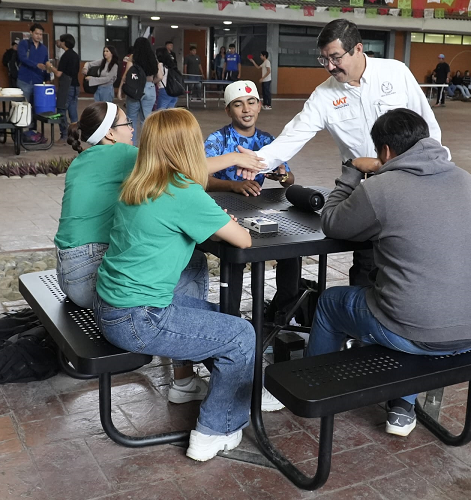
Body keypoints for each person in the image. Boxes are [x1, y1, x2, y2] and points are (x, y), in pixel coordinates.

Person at [306, 108, 471, 437]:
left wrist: (352, 171)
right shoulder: (466, 179)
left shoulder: (381, 188)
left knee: (332, 303)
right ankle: (402, 405)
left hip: (418, 330)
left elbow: (332, 221)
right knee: (403, 299)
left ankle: (313, 387)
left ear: (384, 150)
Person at [56, 101, 264, 406]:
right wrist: (235, 158)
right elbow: (183, 168)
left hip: (68, 271)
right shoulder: (123, 155)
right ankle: (184, 376)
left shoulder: (84, 159)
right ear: (110, 134)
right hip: (91, 275)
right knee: (190, 264)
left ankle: (195, 360)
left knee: (185, 259)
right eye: (127, 124)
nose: (132, 129)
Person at [92, 108, 256, 462]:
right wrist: (222, 220)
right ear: (187, 147)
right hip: (140, 318)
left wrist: (212, 221)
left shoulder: (138, 184)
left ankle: (237, 387)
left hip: (110, 307)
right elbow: (243, 239)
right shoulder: (182, 190)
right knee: (241, 336)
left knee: (224, 319)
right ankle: (214, 430)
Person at [255, 19, 447, 287]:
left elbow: (429, 128)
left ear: (358, 48)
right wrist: (255, 163)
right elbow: (292, 136)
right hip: (367, 193)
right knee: (366, 269)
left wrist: (436, 174)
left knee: (412, 264)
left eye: (335, 57)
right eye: (324, 60)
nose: (330, 66)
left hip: (410, 186)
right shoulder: (324, 96)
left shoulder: (395, 73)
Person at [205, 80, 299, 325]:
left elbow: (289, 179)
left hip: (258, 210)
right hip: (225, 212)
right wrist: (232, 185)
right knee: (236, 257)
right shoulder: (217, 140)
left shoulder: (268, 141)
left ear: (259, 106)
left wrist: (281, 175)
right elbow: (201, 178)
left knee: (292, 251)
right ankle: (232, 320)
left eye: (251, 102)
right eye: (238, 104)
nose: (246, 109)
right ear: (228, 110)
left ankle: (281, 314)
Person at [118, 37, 160, 146]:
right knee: (146, 119)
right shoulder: (153, 58)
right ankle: (147, 146)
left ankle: (133, 146)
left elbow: (126, 75)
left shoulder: (133, 57)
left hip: (135, 90)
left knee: (131, 119)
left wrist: (120, 89)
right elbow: (160, 76)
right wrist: (150, 84)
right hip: (150, 88)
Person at [46, 34, 80, 143]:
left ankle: (64, 135)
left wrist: (50, 66)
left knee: (61, 109)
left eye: (60, 41)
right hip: (75, 85)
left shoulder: (65, 56)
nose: (58, 43)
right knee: (73, 111)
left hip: (67, 86)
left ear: (64, 42)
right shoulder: (75, 55)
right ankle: (75, 135)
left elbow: (59, 74)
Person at [17, 24, 49, 113]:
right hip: (24, 80)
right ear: (31, 33)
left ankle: (33, 122)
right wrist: (36, 65)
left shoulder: (44, 48)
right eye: (36, 34)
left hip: (38, 80)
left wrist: (47, 78)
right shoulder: (24, 43)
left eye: (40, 34)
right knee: (23, 107)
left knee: (36, 107)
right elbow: (22, 58)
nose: (39, 36)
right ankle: (23, 122)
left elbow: (46, 62)